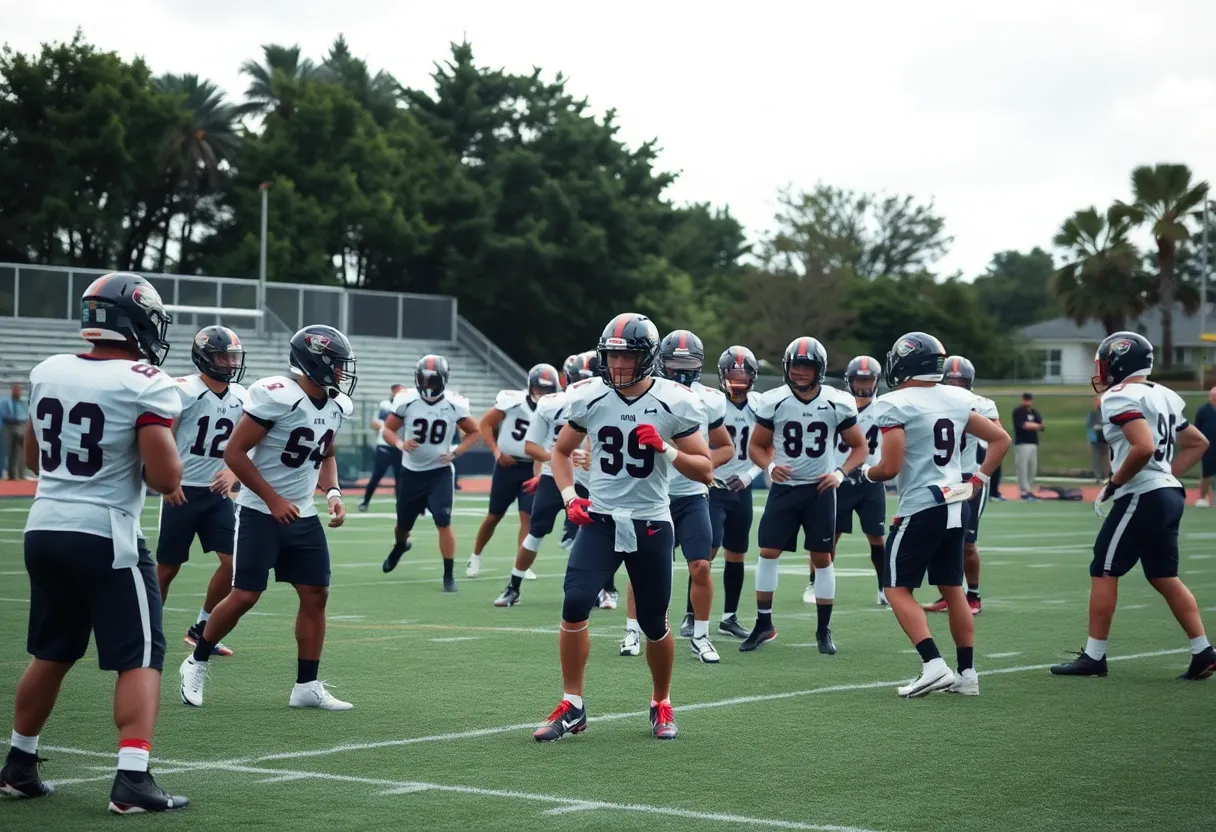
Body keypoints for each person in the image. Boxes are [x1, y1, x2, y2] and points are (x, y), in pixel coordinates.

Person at [1, 272, 189, 812]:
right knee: (142, 655)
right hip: (106, 533)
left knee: (52, 651)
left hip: (43, 527)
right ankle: (132, 779)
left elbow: (35, 460)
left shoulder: (48, 370)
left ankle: (18, 765)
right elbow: (165, 479)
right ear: (131, 319)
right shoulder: (145, 380)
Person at [532, 313, 710, 742]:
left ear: (647, 358)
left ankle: (661, 701)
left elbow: (704, 469)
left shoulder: (674, 401)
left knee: (653, 622)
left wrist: (665, 448)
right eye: (612, 358)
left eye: (628, 358)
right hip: (600, 519)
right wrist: (571, 496)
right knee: (575, 602)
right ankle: (572, 704)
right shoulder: (590, 397)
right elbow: (560, 453)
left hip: (651, 522)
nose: (618, 367)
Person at [179, 325, 356, 711]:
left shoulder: (337, 404)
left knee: (316, 594)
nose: (342, 372)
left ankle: (306, 686)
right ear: (314, 363)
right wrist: (273, 499)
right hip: (260, 512)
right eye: (336, 365)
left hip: (302, 513)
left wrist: (334, 492)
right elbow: (236, 453)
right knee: (245, 594)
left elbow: (325, 454)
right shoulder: (280, 397)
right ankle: (196, 660)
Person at [1051, 331, 1215, 681]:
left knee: (1104, 568)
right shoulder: (1164, 394)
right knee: (1163, 575)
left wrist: (1116, 483)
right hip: (1169, 494)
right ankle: (1203, 650)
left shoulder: (1119, 396)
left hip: (1143, 493)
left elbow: (1141, 447)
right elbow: (1197, 442)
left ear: (1119, 361)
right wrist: (1165, 475)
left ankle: (1094, 657)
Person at [864, 332, 1010, 698]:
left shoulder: (895, 403)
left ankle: (932, 664)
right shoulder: (960, 397)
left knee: (895, 587)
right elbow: (1001, 439)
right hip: (956, 498)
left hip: (922, 503)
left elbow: (890, 466)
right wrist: (978, 479)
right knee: (952, 587)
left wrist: (867, 473)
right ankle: (967, 674)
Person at [744, 337, 867, 655]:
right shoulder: (774, 401)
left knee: (822, 559)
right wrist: (770, 467)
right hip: (785, 490)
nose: (800, 372)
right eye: (795, 365)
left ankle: (823, 630)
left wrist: (840, 473)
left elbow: (860, 446)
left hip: (819, 490)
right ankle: (763, 624)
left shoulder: (837, 401)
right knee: (768, 552)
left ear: (819, 370)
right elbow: (756, 446)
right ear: (786, 367)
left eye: (807, 366)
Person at [621, 330, 733, 664]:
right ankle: (631, 628)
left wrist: (697, 466)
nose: (681, 369)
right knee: (642, 568)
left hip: (692, 495)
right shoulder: (645, 392)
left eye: (689, 363)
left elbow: (725, 446)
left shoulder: (709, 398)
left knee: (700, 565)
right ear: (660, 361)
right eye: (674, 362)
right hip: (652, 496)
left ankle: (700, 635)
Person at [157, 326, 248, 657]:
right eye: (222, 356)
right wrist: (167, 479)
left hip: (216, 492)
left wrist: (232, 469)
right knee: (167, 568)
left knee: (233, 564)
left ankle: (202, 627)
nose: (229, 363)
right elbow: (161, 436)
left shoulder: (243, 396)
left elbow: (249, 442)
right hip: (180, 492)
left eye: (232, 356)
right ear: (205, 357)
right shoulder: (180, 390)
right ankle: (148, 629)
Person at [380, 355, 480, 591]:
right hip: (411, 471)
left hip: (439, 472)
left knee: (443, 519)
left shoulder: (455, 404)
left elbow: (474, 432)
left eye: (431, 380)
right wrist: (400, 444)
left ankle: (448, 575)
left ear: (443, 380)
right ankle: (400, 546)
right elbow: (388, 430)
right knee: (403, 524)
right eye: (423, 380)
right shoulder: (406, 400)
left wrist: (457, 452)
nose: (426, 386)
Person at [466, 364, 560, 578]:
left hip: (532, 466)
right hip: (507, 467)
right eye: (539, 388)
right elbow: (486, 424)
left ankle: (521, 565)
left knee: (527, 516)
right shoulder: (512, 401)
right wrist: (497, 452)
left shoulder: (554, 408)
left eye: (547, 390)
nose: (542, 394)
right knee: (493, 516)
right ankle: (475, 556)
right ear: (530, 386)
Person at [923, 355, 999, 615]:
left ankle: (974, 596)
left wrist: (981, 477)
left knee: (967, 542)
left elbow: (999, 440)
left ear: (970, 383)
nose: (956, 386)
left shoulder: (982, 405)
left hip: (969, 479)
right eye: (951, 381)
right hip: (944, 480)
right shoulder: (930, 403)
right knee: (942, 538)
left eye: (961, 381)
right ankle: (950, 592)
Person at [709, 346, 762, 639]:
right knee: (707, 550)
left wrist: (750, 474)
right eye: (733, 373)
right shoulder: (712, 402)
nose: (738, 380)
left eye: (744, 374)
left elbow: (769, 445)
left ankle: (729, 617)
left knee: (737, 554)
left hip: (743, 487)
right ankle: (693, 614)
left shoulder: (760, 405)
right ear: (722, 376)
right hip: (713, 486)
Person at [829, 356, 888, 607]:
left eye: (868, 380)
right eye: (859, 380)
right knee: (829, 536)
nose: (863, 385)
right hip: (839, 477)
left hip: (870, 479)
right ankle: (816, 582)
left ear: (876, 381)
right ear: (849, 381)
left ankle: (884, 587)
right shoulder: (837, 405)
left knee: (876, 536)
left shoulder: (885, 407)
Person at [358, 384, 405, 512]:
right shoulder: (384, 405)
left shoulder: (405, 407)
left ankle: (400, 506)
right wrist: (387, 427)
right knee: (376, 476)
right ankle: (365, 502)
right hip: (384, 445)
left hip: (399, 446)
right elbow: (374, 423)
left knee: (399, 478)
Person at [1012, 392, 1043, 500]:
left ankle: (1029, 488)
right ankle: (1024, 490)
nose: (1027, 402)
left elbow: (1042, 425)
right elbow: (1024, 425)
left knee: (1032, 467)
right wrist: (1035, 425)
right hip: (1022, 443)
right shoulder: (1018, 412)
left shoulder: (1034, 412)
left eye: (1029, 399)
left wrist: (1033, 425)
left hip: (1033, 442)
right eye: (1025, 399)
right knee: (1022, 467)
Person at [1192, 386, 1216, 506]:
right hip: (1208, 448)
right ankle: (1202, 498)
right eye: (1213, 395)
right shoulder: (1203, 410)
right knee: (1207, 474)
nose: (1214, 397)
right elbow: (1197, 428)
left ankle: (1214, 500)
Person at [1, 383, 28, 480]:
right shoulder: (6, 402)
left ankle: (20, 474)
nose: (17, 392)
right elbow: (4, 416)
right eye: (15, 390)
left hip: (21, 427)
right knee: (8, 451)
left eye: (18, 390)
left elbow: (26, 416)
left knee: (20, 452)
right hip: (9, 427)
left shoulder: (23, 403)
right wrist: (16, 419)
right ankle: (10, 474)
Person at [1086, 396, 1110, 483]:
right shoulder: (1092, 414)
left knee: (1106, 458)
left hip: (1104, 439)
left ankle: (1107, 475)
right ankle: (1098, 476)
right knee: (1095, 458)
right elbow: (1089, 426)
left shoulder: (1105, 413)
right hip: (1095, 439)